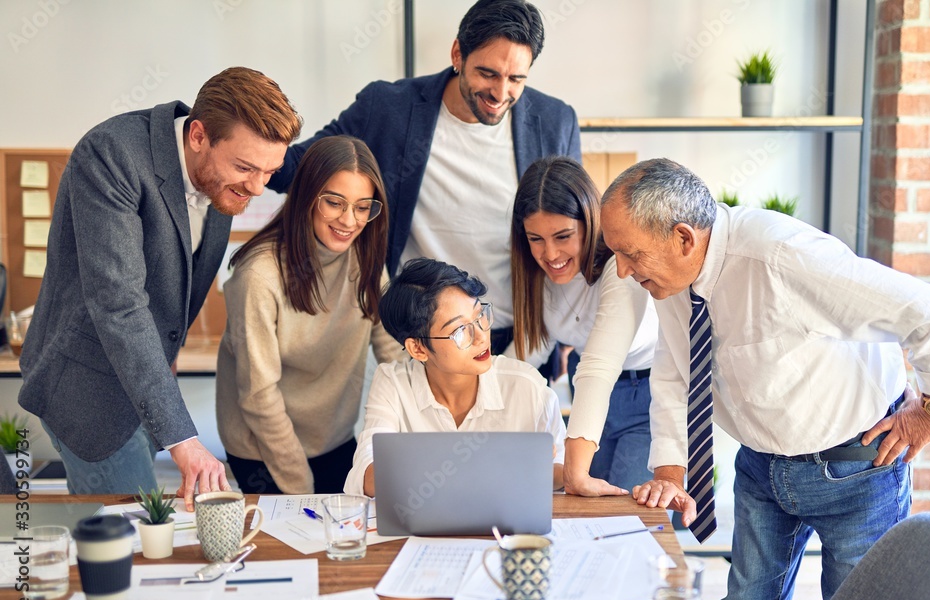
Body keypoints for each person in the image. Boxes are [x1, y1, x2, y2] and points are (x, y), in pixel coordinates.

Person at [599, 158, 930, 600]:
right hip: (762, 468)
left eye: (628, 253)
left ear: (683, 238)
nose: (621, 269)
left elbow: (928, 310)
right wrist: (669, 467)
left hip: (855, 468)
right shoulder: (670, 276)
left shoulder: (782, 256)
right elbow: (674, 367)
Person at [18, 67, 302, 511]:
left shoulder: (224, 173)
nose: (257, 186)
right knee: (131, 537)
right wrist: (184, 439)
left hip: (145, 382)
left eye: (270, 171)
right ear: (198, 136)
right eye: (246, 168)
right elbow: (119, 305)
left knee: (140, 533)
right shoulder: (111, 155)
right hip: (88, 388)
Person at [267, 0, 581, 353]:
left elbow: (573, 230)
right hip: (417, 339)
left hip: (518, 337)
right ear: (457, 54)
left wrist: (572, 324)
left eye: (516, 79)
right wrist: (239, 139)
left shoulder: (556, 122)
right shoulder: (389, 109)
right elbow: (296, 169)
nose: (500, 92)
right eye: (488, 74)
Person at [216, 136, 403, 495]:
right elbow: (259, 396)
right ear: (305, 197)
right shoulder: (258, 277)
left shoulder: (364, 260)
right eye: (334, 202)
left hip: (332, 437)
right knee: (298, 537)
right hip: (262, 447)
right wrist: (301, 490)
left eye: (363, 207)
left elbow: (396, 355)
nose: (349, 221)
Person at [343, 258, 565, 497]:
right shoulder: (394, 384)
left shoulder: (525, 385)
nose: (481, 337)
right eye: (460, 331)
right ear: (418, 349)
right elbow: (368, 478)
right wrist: (502, 464)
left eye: (480, 316)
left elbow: (560, 473)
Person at [508, 156, 658, 496]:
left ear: (589, 224)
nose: (550, 253)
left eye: (563, 236)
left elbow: (600, 364)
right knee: (584, 510)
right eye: (536, 239)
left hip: (649, 393)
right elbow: (526, 352)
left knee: (623, 511)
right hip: (588, 391)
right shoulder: (536, 275)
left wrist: (574, 475)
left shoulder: (619, 270)